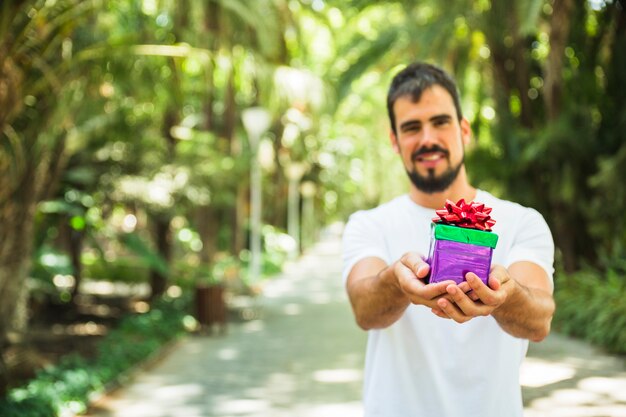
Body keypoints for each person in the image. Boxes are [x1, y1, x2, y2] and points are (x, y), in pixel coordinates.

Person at [342, 62, 555, 417]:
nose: (427, 139)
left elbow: (540, 320)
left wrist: (506, 295)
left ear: (464, 129)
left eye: (440, 122)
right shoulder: (369, 224)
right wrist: (398, 280)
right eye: (411, 128)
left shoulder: (522, 222)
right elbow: (364, 310)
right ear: (394, 141)